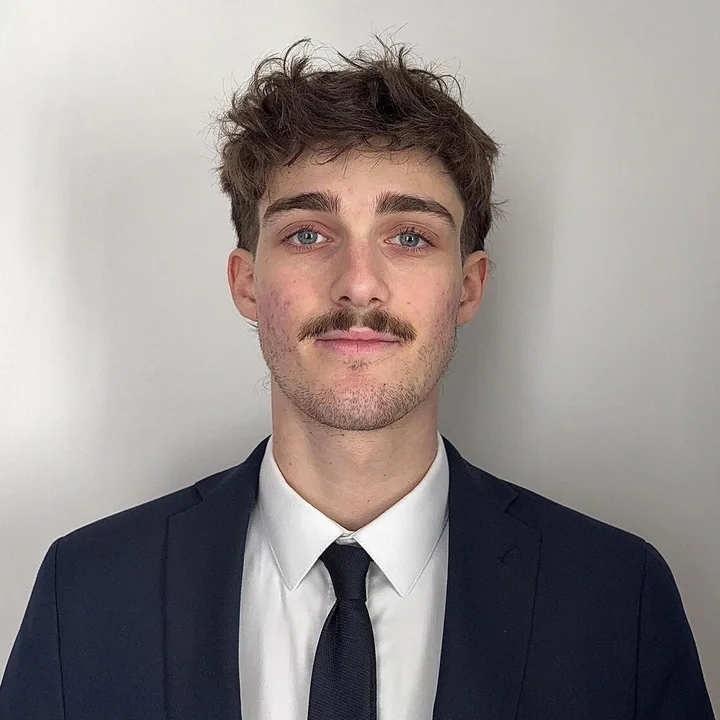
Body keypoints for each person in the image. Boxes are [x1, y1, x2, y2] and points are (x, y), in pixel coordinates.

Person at [0, 36, 715, 720]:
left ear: (469, 287)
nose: (359, 284)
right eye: (308, 234)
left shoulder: (618, 600)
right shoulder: (84, 593)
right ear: (247, 282)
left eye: (409, 237)